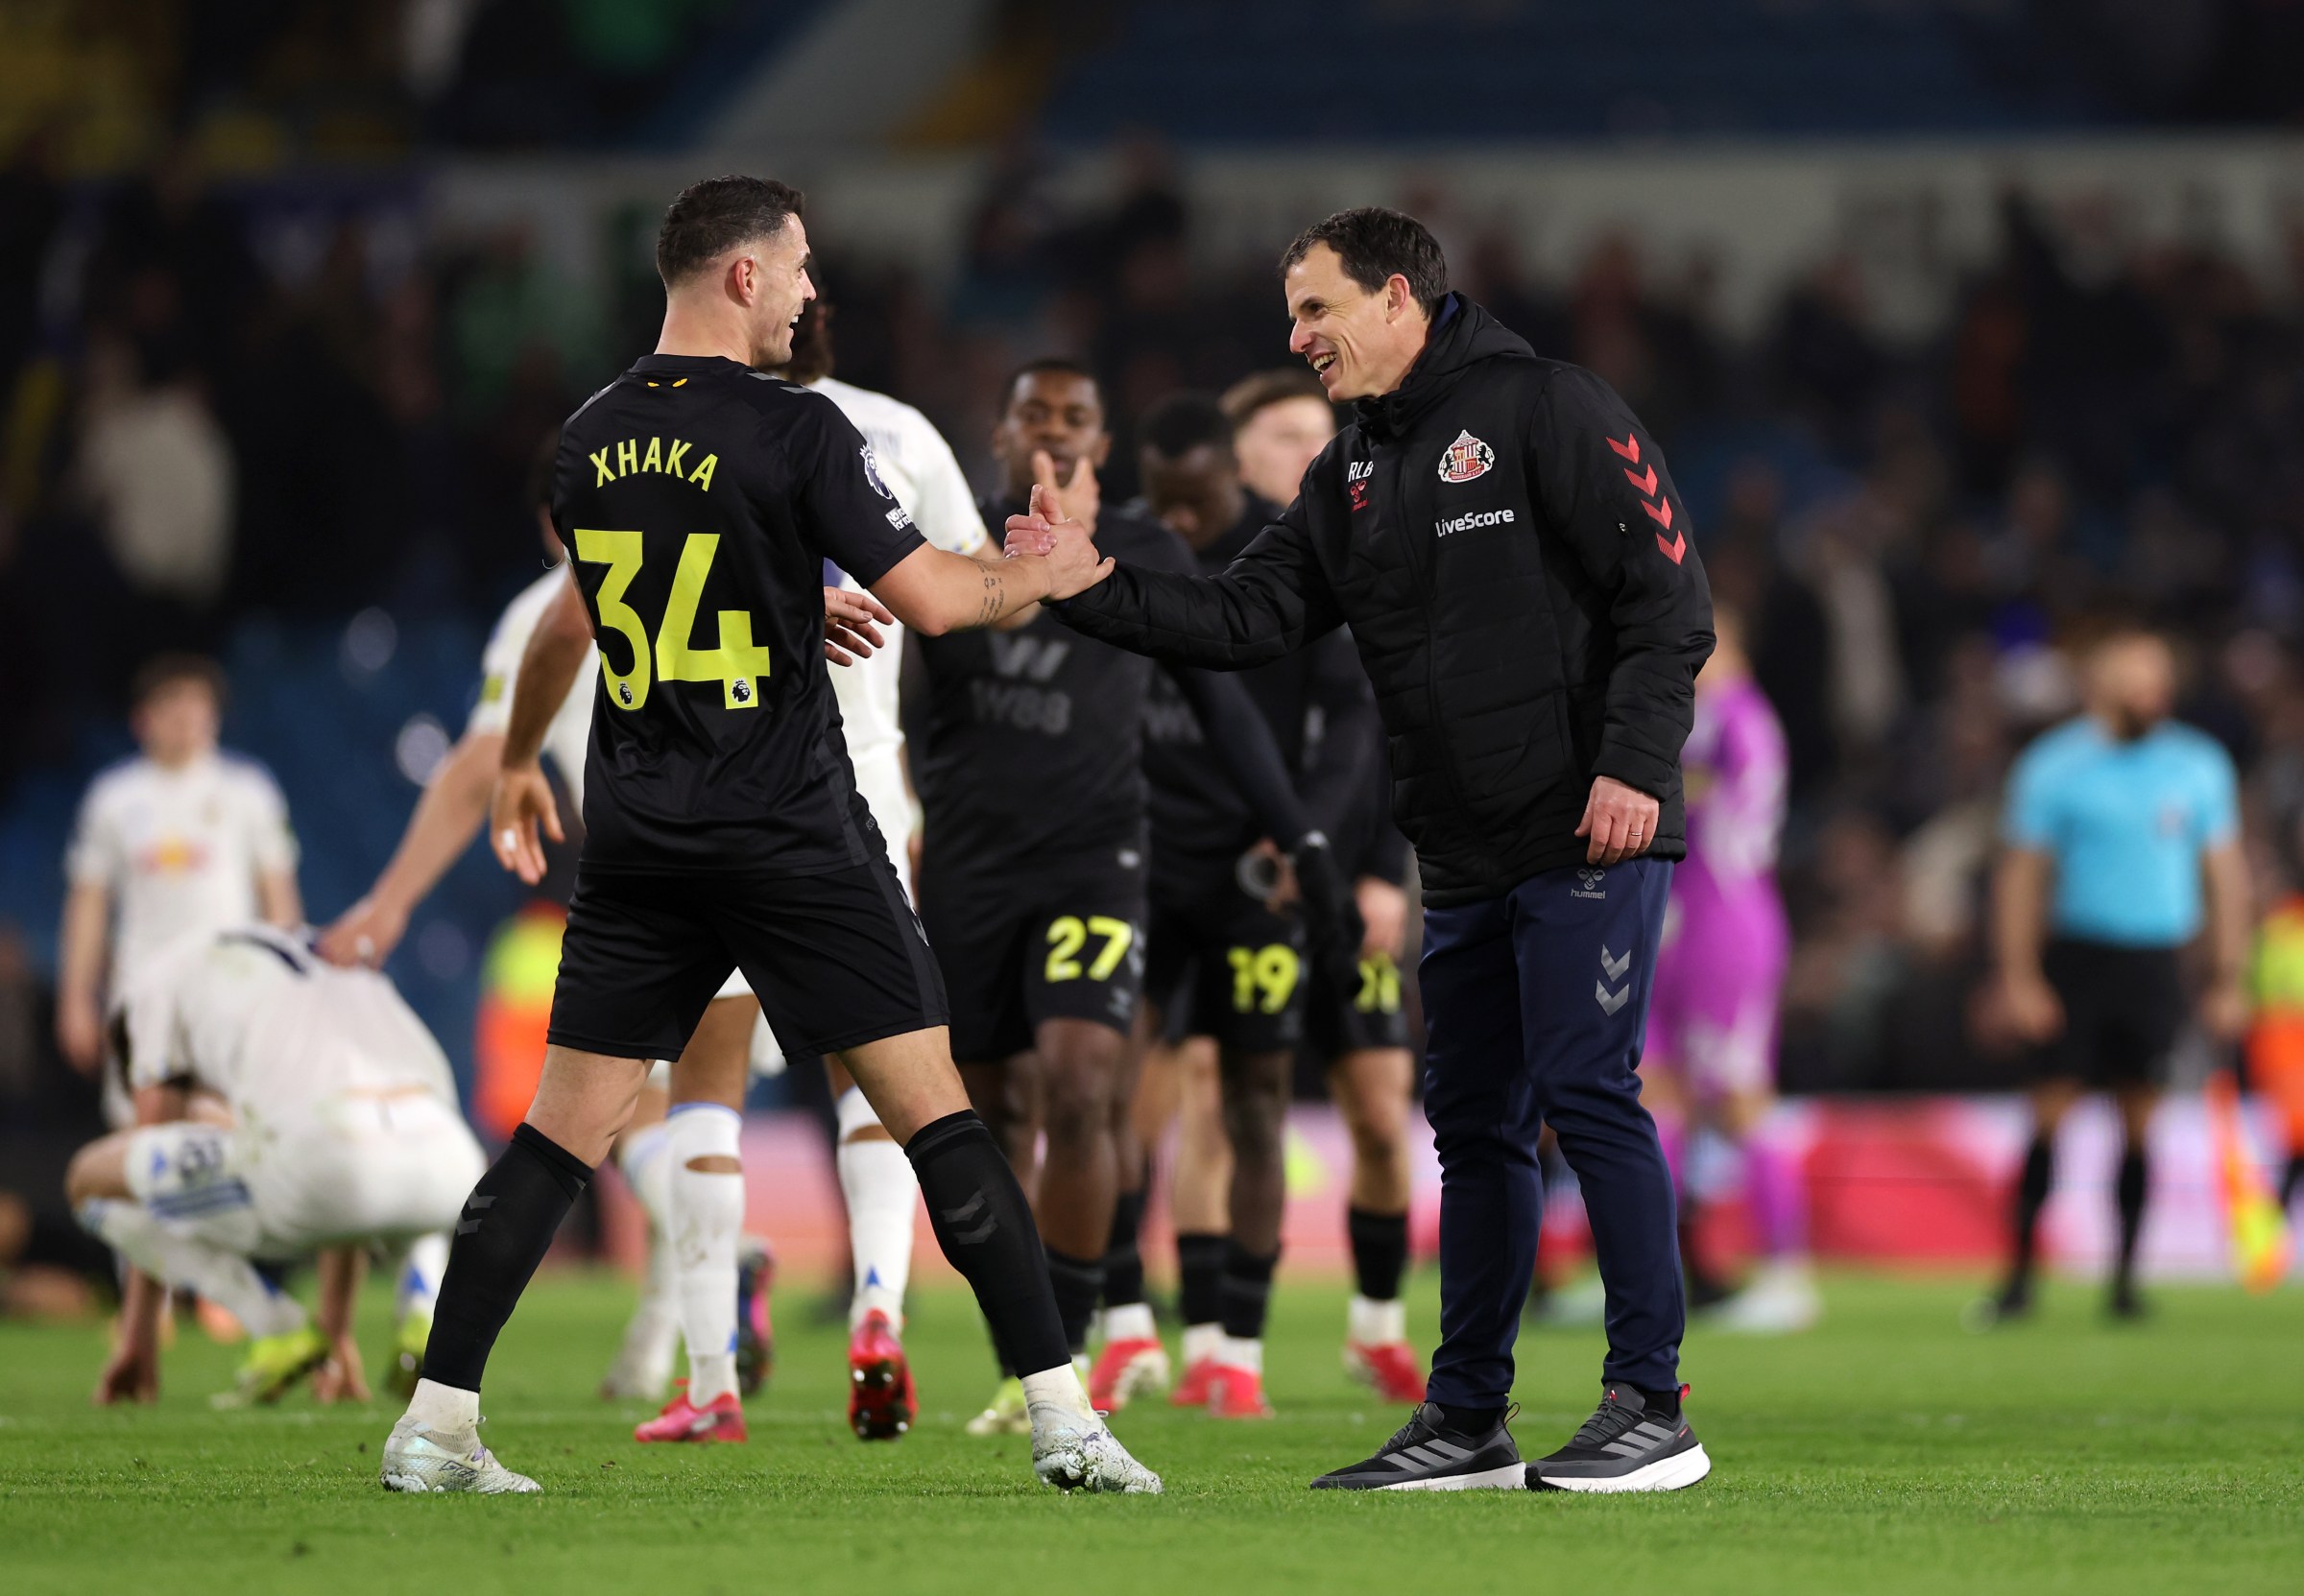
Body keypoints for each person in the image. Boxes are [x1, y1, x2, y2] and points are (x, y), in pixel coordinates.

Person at [377, 174, 1158, 1495]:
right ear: (742, 275)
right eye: (798, 267)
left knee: (557, 1141)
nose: (809, 291)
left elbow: (572, 621)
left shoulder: (589, 436)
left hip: (640, 843)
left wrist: (519, 757)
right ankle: (1067, 1423)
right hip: (793, 828)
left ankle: (436, 1425)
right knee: (939, 1121)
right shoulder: (798, 430)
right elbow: (939, 599)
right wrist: (1049, 565)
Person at [1008, 206, 1716, 1491]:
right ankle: (1466, 1420)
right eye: (1294, 314)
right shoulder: (1351, 471)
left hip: (1585, 821)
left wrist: (1632, 764)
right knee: (1477, 1128)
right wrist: (1088, 581)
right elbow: (1238, 616)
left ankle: (1651, 1402)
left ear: (1400, 297)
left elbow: (1669, 597)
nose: (1299, 337)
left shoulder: (1548, 405)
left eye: (1319, 310)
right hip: (1460, 843)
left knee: (1585, 1089)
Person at [910, 360, 1352, 1435]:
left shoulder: (1146, 557)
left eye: (1077, 417)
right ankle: (1025, 1356)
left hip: (1098, 860)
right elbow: (904, 706)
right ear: (1002, 432)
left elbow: (1228, 710)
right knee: (995, 1114)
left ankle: (1059, 1360)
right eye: (1034, 415)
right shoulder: (944, 550)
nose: (1054, 433)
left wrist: (1302, 832)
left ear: (1105, 442)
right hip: (971, 865)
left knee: (1080, 1085)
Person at [318, 438, 776, 1419]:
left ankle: (684, 1351)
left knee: (590, 1128)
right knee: (708, 1110)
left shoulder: (543, 609)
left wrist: (391, 899)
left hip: (640, 891)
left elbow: (482, 758)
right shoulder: (723, 566)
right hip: (770, 870)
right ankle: (682, 1348)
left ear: (551, 523)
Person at [1090, 388, 1420, 1420]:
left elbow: (1381, 727)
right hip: (1220, 870)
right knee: (1195, 1097)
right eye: (1288, 436)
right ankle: (1202, 1343)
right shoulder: (1206, 550)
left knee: (1374, 1110)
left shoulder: (1365, 554)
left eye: (1323, 439)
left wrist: (1370, 864)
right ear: (1236, 457)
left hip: (1334, 870)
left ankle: (1376, 1325)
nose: (1311, 453)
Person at [65, 923, 484, 1410]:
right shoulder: (321, 951)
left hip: (332, 1161)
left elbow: (150, 1148)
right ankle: (422, 1307)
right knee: (376, 1149)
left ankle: (274, 1325)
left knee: (91, 1180)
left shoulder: (150, 988)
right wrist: (336, 1331)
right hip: (454, 1163)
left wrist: (138, 1337)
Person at [1985, 628, 2247, 1322]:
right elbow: (2021, 879)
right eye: (2138, 676)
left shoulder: (2197, 764)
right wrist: (2019, 975)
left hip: (2155, 962)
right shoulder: (2053, 766)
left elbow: (2225, 877)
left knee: (2141, 1120)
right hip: (2077, 958)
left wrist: (2228, 974)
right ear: (2099, 682)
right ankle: (2017, 1279)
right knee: (2047, 1115)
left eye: (2160, 676)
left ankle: (2125, 1283)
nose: (2153, 690)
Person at [1638, 605, 1810, 1332]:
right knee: (1654, 1093)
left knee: (1738, 1095)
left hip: (1725, 924)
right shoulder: (1702, 714)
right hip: (1674, 922)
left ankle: (1786, 1271)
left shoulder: (1735, 716)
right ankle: (1655, 1274)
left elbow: (1724, 811)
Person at [60, 655, 301, 1112]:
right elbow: (88, 904)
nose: (185, 715)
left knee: (230, 1123)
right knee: (141, 1127)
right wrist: (76, 999)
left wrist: (286, 989)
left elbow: (279, 897)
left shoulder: (249, 791)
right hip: (142, 988)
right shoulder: (113, 797)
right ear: (142, 718)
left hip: (230, 986)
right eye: (171, 702)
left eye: (197, 703)